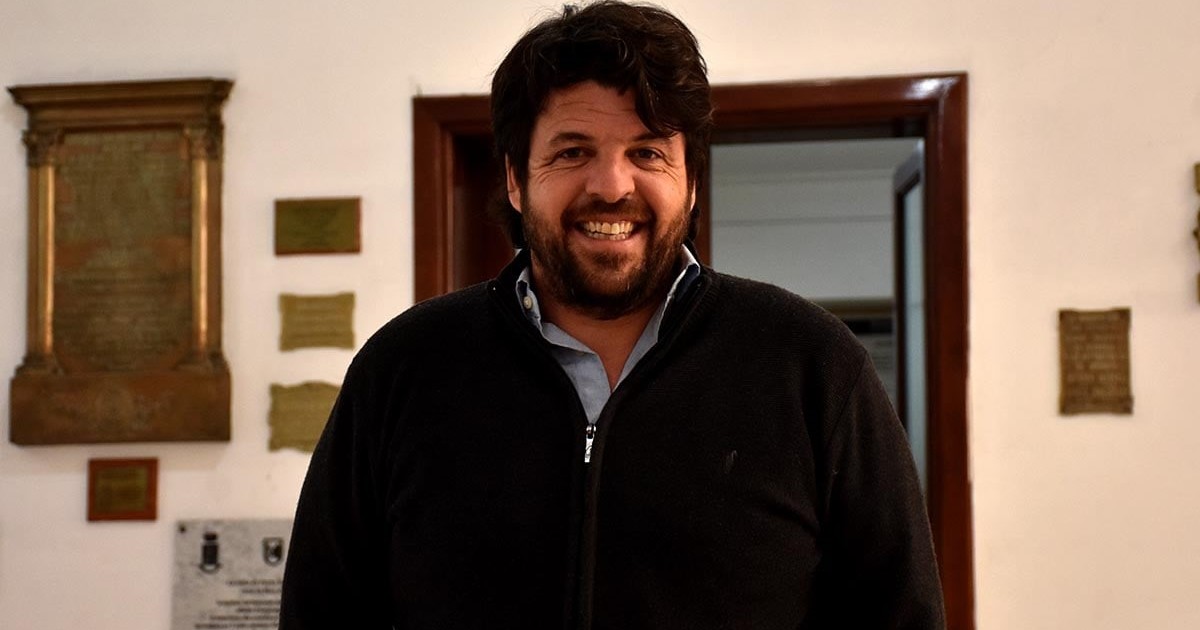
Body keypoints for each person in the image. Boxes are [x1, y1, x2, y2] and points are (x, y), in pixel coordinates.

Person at [279, 2, 946, 628]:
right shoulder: (401, 372)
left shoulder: (812, 368)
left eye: (647, 152)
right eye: (572, 152)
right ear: (515, 179)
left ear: (691, 182)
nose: (610, 186)